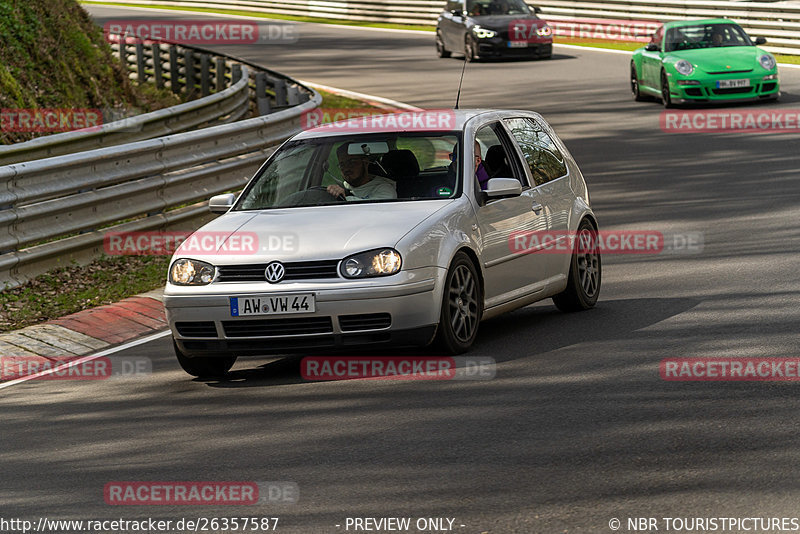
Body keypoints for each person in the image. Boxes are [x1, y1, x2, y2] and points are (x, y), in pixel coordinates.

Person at [327, 144, 397, 201]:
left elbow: (374, 210)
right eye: (342, 164)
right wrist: (333, 191)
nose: (346, 168)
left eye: (352, 162)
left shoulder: (385, 190)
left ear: (365, 162)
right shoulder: (343, 186)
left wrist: (344, 198)